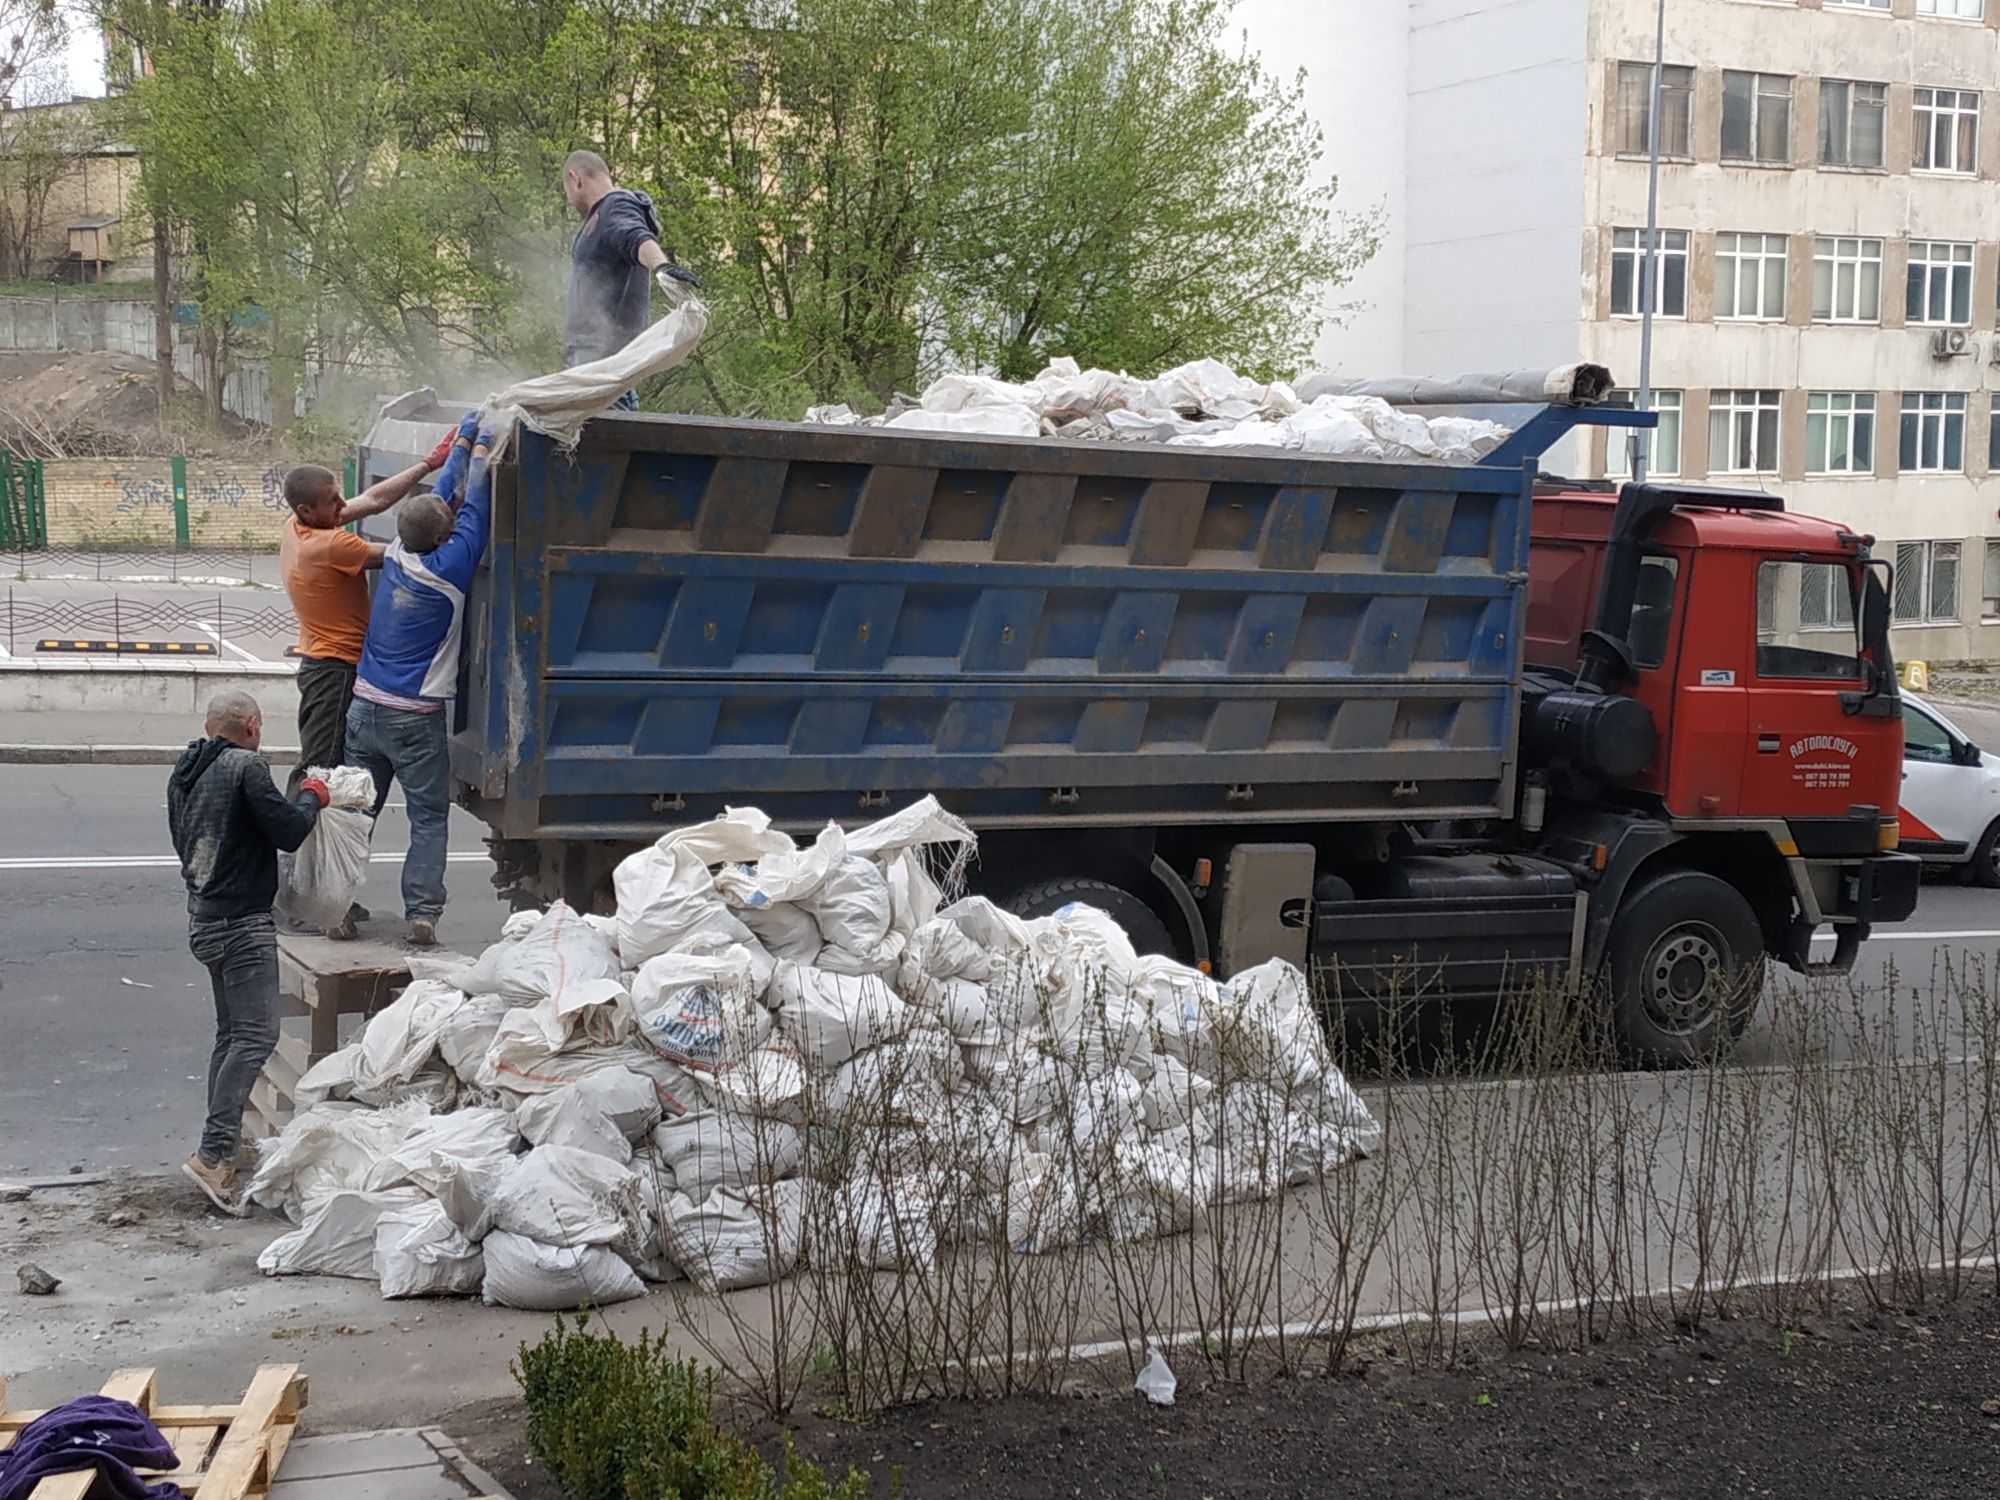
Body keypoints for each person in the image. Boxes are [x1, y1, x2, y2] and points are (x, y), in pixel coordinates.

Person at [277, 435, 458, 935]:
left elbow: (374, 501)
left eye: (339, 497)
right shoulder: (331, 544)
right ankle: (306, 895)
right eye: (333, 501)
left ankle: (319, 895)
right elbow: (410, 554)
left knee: (339, 790)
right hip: (335, 676)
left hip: (327, 671)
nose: (343, 506)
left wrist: (428, 462)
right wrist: (448, 524)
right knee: (323, 783)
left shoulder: (301, 527)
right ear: (307, 509)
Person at [168, 689, 331, 1214]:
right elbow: (288, 831)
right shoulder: (246, 767)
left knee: (230, 1035)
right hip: (241, 925)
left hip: (204, 918)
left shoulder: (185, 770)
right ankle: (214, 1154)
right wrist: (312, 796)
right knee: (257, 1036)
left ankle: (225, 1144)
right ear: (253, 725)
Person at [344, 421, 496, 947]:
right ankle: (422, 913)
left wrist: (460, 441)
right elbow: (475, 503)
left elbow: (443, 499)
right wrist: (483, 448)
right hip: (413, 716)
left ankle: (337, 901)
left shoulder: (399, 556)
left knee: (355, 814)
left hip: (363, 709)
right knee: (428, 817)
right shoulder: (451, 566)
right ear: (441, 537)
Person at [560, 148, 701, 409]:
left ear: (575, 179)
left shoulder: (614, 206)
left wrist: (662, 267)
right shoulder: (603, 216)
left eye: (567, 191)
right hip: (604, 360)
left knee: (602, 443)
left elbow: (635, 236)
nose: (570, 200)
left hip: (600, 361)